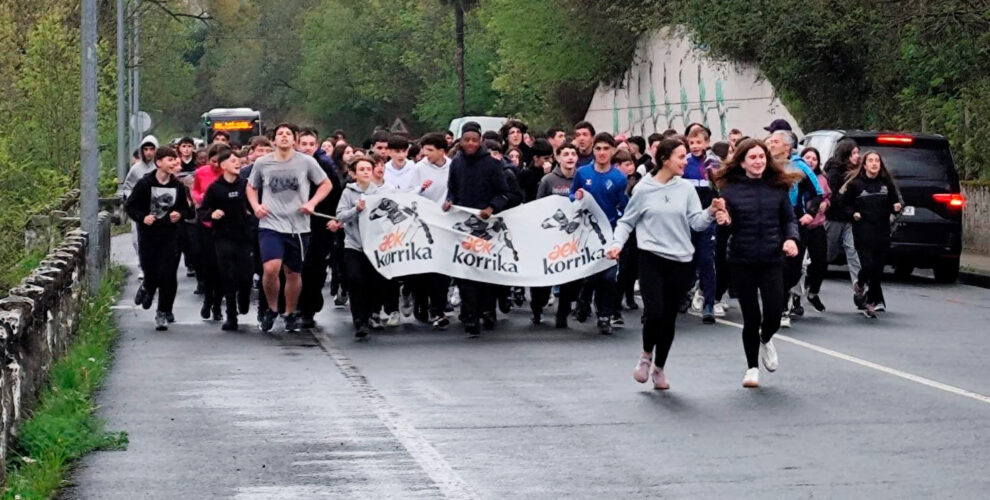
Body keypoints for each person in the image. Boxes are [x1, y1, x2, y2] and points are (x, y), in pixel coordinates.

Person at [608, 138, 719, 390]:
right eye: (681, 157)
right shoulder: (643, 188)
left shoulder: (686, 189)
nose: (686, 161)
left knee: (669, 318)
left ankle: (659, 368)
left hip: (681, 260)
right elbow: (627, 222)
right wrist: (617, 244)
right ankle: (646, 356)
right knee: (654, 312)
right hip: (651, 258)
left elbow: (696, 223)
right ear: (664, 159)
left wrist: (711, 211)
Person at [712, 138, 801, 388]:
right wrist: (723, 219)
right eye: (752, 157)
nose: (758, 161)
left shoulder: (778, 187)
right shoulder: (729, 190)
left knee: (773, 313)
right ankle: (752, 368)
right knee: (751, 317)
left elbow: (789, 220)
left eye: (761, 156)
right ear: (741, 162)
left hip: (772, 258)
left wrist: (791, 239)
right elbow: (726, 224)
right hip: (741, 259)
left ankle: (766, 337)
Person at [247, 123, 333, 333]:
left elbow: (326, 184)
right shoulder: (262, 163)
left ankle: (290, 313)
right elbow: (251, 186)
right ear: (274, 140)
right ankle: (273, 308)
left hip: (298, 226)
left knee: (293, 272)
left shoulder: (306, 162)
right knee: (271, 268)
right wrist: (256, 206)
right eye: (279, 134)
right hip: (270, 223)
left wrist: (312, 203)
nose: (284, 137)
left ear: (294, 140)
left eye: (288, 134)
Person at [443, 121, 511, 337]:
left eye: (474, 140)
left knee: (486, 271)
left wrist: (492, 208)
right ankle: (470, 315)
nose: (470, 143)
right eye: (466, 140)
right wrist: (449, 201)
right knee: (465, 273)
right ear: (461, 141)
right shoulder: (456, 164)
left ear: (480, 141)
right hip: (464, 227)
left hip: (487, 226)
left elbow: (504, 193)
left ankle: (488, 310)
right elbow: (452, 190)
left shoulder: (492, 164)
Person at [125, 146, 192, 331]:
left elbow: (188, 209)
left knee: (168, 275)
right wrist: (143, 217)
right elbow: (130, 206)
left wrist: (179, 214)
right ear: (159, 162)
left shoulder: (178, 186)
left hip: (170, 236)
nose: (174, 164)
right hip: (148, 236)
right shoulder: (145, 183)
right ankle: (147, 286)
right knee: (152, 272)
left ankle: (162, 312)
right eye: (170, 160)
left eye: (175, 160)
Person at [570, 132, 628, 335]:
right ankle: (584, 300)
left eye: (606, 149)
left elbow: (623, 206)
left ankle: (605, 315)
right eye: (598, 149)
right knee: (591, 275)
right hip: (586, 232)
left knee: (609, 276)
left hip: (609, 233)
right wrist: (574, 196)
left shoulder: (619, 178)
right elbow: (572, 194)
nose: (602, 153)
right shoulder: (583, 173)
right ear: (593, 150)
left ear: (612, 151)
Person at [767, 130, 822, 327]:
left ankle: (785, 297)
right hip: (771, 221)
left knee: (793, 267)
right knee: (775, 264)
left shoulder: (799, 166)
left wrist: (810, 213)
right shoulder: (764, 165)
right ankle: (779, 308)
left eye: (775, 141)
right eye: (770, 141)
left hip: (795, 222)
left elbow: (818, 192)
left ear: (787, 147)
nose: (770, 144)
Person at [197, 145, 253, 331]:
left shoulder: (245, 184)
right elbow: (202, 211)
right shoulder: (215, 188)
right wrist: (212, 214)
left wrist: (251, 213)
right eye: (233, 161)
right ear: (223, 165)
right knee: (227, 277)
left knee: (245, 275)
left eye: (239, 161)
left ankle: (243, 298)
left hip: (244, 236)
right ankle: (231, 316)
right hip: (222, 238)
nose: (238, 163)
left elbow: (255, 206)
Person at [840, 151, 903, 318]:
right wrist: (853, 213)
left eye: (877, 161)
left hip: (882, 231)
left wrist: (896, 208)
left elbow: (895, 203)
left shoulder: (886, 184)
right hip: (863, 231)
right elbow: (844, 204)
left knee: (877, 270)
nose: (874, 163)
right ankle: (860, 284)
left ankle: (870, 300)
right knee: (867, 265)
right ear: (865, 165)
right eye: (871, 161)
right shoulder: (856, 185)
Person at [531, 143, 584, 327]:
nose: (570, 157)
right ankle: (537, 307)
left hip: (573, 237)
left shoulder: (583, 178)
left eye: (573, 153)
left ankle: (563, 313)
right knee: (545, 280)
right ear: (558, 157)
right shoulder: (548, 180)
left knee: (571, 278)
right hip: (551, 237)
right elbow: (539, 207)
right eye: (566, 154)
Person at [298, 128, 345, 329]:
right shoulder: (290, 163)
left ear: (316, 146)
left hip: (319, 221)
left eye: (311, 144)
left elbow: (336, 192)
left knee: (314, 265)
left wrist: (334, 218)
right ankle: (297, 303)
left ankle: (309, 305)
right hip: (294, 221)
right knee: (296, 265)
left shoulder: (325, 165)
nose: (307, 148)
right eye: (304, 144)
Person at [330, 157, 379, 339]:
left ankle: (368, 315)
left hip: (374, 246)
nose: (366, 172)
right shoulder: (348, 193)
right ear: (354, 173)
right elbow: (340, 215)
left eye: (368, 169)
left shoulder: (380, 192)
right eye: (362, 169)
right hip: (354, 244)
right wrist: (356, 210)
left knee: (371, 283)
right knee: (354, 278)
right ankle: (358, 320)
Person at [408, 132, 453, 329]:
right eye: (424, 149)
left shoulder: (453, 166)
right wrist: (420, 190)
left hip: (445, 224)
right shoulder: (419, 168)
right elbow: (409, 193)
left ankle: (438, 308)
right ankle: (421, 302)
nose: (426, 154)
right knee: (423, 268)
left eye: (430, 150)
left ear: (442, 151)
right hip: (423, 224)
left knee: (441, 269)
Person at [684, 125, 720, 324]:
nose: (696, 146)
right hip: (686, 219)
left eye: (699, 142)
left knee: (706, 259)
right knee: (687, 259)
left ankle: (709, 303)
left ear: (707, 143)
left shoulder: (714, 163)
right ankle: (684, 293)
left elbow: (721, 190)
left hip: (707, 219)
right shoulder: (684, 163)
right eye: (692, 143)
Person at [823, 138, 864, 306]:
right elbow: (832, 195)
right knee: (828, 253)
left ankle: (859, 289)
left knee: (853, 251)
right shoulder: (835, 171)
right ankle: (810, 280)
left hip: (849, 220)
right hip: (834, 218)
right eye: (854, 153)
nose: (857, 156)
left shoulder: (858, 171)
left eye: (858, 153)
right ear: (846, 154)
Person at [191, 143, 225, 322]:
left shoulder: (230, 174)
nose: (217, 166)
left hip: (225, 226)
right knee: (208, 265)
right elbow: (194, 190)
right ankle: (208, 300)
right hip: (205, 223)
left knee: (221, 268)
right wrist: (200, 198)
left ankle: (218, 305)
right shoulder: (201, 172)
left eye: (220, 162)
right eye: (213, 161)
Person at [121, 135, 160, 278]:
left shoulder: (161, 167)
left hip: (157, 208)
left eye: (151, 149)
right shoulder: (136, 169)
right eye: (146, 149)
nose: (149, 152)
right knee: (137, 238)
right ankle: (142, 265)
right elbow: (127, 187)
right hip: (140, 210)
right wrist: (133, 199)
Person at [611, 149, 642, 319]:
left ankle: (628, 295)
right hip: (619, 226)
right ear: (617, 166)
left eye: (631, 164)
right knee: (621, 269)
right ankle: (615, 302)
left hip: (634, 230)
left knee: (631, 267)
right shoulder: (616, 183)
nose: (630, 167)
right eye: (626, 164)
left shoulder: (637, 182)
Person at [800, 147, 831, 312]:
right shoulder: (796, 177)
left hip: (817, 225)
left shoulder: (822, 179)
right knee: (797, 264)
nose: (810, 161)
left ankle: (813, 292)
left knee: (820, 262)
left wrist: (826, 203)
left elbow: (827, 197)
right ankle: (795, 300)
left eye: (814, 158)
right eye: (807, 157)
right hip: (799, 225)